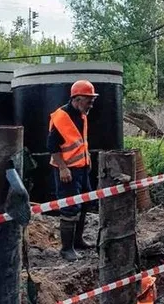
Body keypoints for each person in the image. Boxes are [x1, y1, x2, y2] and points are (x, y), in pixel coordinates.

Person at [48, 79, 97, 261]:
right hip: (67, 171)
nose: (91, 103)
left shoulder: (81, 114)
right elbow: (52, 145)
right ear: (77, 99)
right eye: (88, 100)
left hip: (81, 168)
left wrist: (87, 159)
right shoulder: (61, 118)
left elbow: (79, 142)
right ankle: (66, 249)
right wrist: (62, 168)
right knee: (70, 208)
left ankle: (78, 241)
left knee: (84, 202)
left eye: (92, 99)